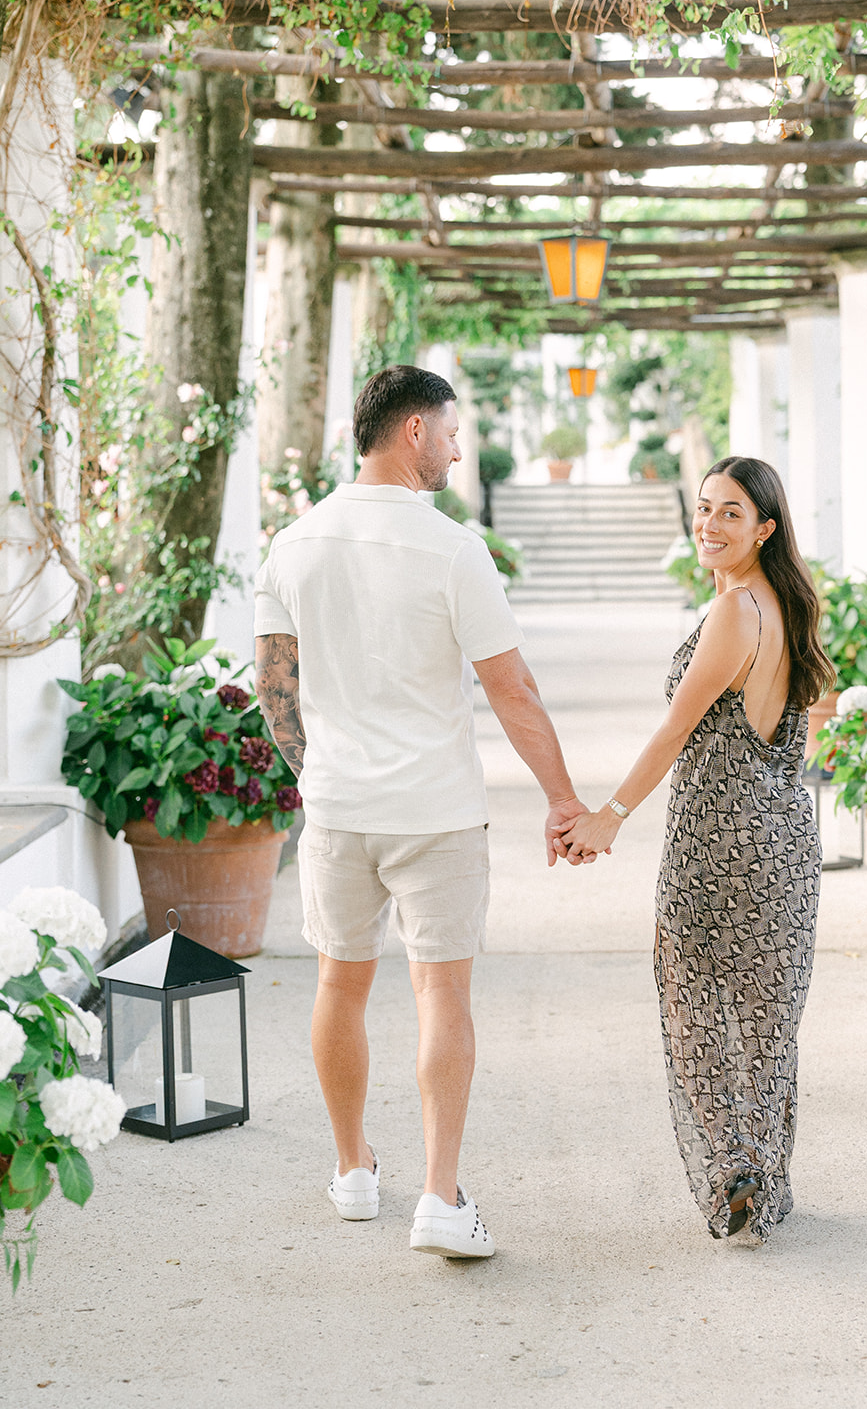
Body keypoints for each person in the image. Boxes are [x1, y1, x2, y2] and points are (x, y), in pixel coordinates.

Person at [253, 366, 590, 1260]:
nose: (454, 446)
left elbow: (273, 691)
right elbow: (510, 687)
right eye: (448, 430)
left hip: (337, 809)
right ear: (410, 433)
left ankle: (353, 1171)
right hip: (435, 809)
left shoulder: (292, 545)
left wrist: (319, 776)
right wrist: (562, 798)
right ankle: (440, 1196)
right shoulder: (449, 548)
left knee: (340, 983)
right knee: (440, 989)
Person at [559, 456, 834, 1241]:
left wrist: (608, 814)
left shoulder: (735, 611)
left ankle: (733, 1174)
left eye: (731, 514)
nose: (709, 525)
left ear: (765, 529)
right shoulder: (778, 603)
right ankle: (757, 1176)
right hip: (780, 841)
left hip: (720, 842)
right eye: (705, 508)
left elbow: (675, 729)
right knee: (761, 1018)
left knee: (694, 1006)